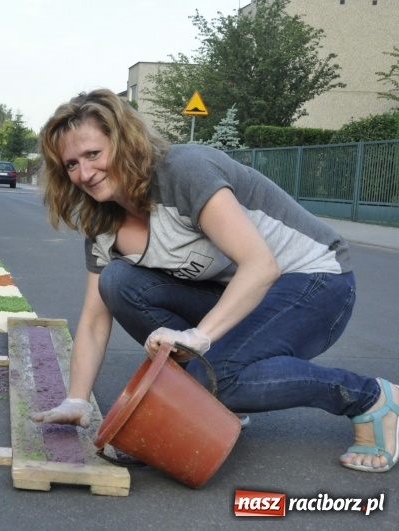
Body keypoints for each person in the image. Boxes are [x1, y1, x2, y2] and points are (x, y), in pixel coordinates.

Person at [31, 88, 399, 473]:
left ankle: (371, 398)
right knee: (118, 281)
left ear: (125, 142)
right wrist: (76, 399)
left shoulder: (183, 172)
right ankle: (214, 401)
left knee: (218, 374)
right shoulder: (100, 219)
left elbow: (260, 265)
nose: (85, 174)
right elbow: (94, 318)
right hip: (243, 292)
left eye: (93, 154)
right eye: (71, 164)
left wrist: (197, 338)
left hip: (317, 281)